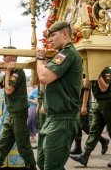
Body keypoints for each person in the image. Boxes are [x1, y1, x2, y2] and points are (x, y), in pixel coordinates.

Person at [35, 21, 82, 170]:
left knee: (52, 167)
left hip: (63, 119)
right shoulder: (61, 54)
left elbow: (44, 77)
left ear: (65, 34)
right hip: (53, 117)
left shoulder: (67, 53)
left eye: (53, 35)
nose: (50, 39)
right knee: (42, 163)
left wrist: (40, 60)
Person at [0, 46, 36, 170]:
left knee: (22, 144)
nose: (3, 57)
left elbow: (9, 90)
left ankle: (31, 166)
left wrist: (8, 72)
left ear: (14, 57)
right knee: (4, 142)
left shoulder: (17, 71)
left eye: (6, 55)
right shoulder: (8, 73)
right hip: (11, 113)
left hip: (18, 113)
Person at [70, 67, 111, 168]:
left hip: (108, 102)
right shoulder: (90, 70)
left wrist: (98, 74)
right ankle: (85, 156)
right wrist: (83, 106)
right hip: (99, 102)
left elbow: (104, 88)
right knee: (94, 130)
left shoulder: (107, 71)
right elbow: (86, 88)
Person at [70, 73, 110, 155]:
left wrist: (84, 106)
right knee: (77, 125)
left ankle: (103, 140)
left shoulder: (85, 72)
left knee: (84, 125)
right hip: (75, 103)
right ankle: (78, 147)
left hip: (82, 103)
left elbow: (86, 89)